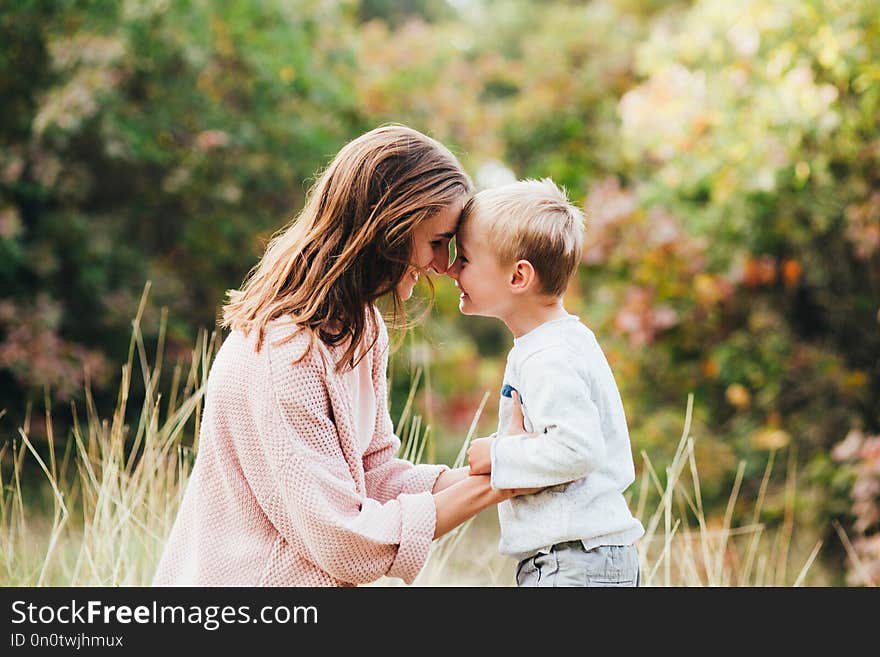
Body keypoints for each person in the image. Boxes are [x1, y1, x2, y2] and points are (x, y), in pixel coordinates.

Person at [152, 124, 535, 587]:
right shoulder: (284, 354)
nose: (441, 263)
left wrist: (507, 463)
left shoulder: (359, 329)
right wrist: (504, 480)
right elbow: (344, 540)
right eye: (437, 240)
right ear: (388, 226)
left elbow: (373, 476)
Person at [451, 178, 645, 587]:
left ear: (518, 277)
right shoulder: (558, 342)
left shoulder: (547, 356)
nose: (452, 269)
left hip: (572, 560)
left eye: (465, 260)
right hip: (588, 557)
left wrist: (500, 455)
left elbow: (578, 448)